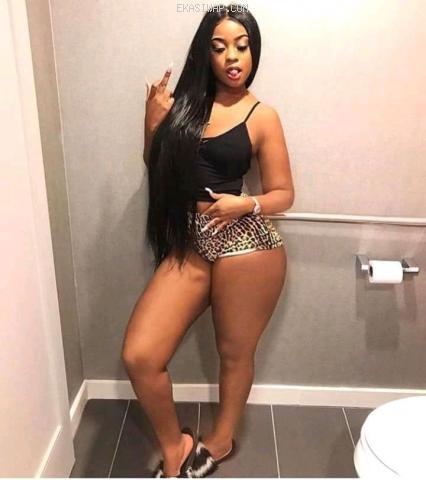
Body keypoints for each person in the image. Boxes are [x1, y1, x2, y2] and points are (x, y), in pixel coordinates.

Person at [121, 3, 295, 478]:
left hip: (248, 246)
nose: (232, 57)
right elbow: (157, 168)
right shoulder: (183, 107)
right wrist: (152, 122)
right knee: (141, 354)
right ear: (206, 53)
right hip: (193, 243)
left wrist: (246, 203)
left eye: (242, 46)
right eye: (220, 47)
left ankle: (219, 442)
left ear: (254, 52)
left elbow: (284, 194)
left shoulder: (263, 115)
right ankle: (175, 446)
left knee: (234, 354)